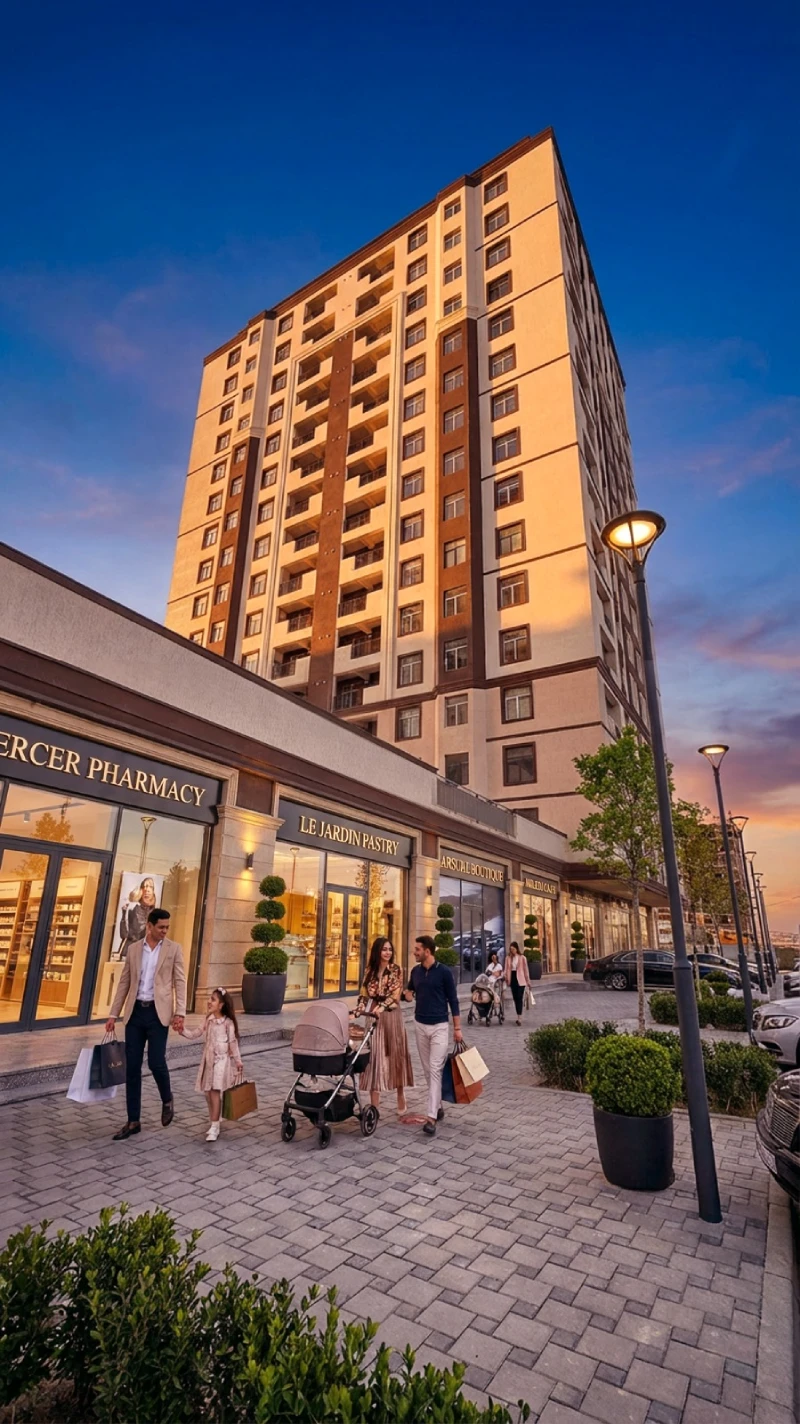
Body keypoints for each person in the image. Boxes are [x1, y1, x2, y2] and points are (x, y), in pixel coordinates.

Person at [105, 907, 186, 1140]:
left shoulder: (173, 949)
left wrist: (180, 1012)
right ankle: (133, 1121)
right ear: (149, 926)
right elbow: (124, 983)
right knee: (132, 1067)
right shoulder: (133, 949)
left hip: (158, 1014)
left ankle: (167, 1098)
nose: (165, 931)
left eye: (167, 927)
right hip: (135, 1014)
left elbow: (180, 981)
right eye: (161, 927)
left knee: (156, 1062)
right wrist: (113, 1014)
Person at [403, 934, 462, 1137]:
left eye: (417, 949)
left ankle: (431, 1118)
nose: (414, 952)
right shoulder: (416, 971)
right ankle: (437, 1105)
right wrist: (406, 994)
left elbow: (453, 1000)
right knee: (428, 1070)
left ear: (427, 951)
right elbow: (409, 991)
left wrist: (457, 1028)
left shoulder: (444, 972)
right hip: (420, 1025)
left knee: (436, 1069)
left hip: (439, 1026)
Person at [354, 937, 413, 1116]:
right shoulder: (369, 970)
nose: (388, 952)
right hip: (373, 1015)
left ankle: (401, 1094)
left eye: (390, 949)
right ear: (377, 951)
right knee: (374, 1056)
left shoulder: (395, 969)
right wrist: (359, 1009)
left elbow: (395, 995)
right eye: (384, 949)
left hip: (391, 1015)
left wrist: (381, 1007)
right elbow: (364, 993)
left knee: (396, 1053)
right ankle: (375, 1105)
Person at [180, 988, 243, 1141]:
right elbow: (196, 1033)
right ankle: (215, 1118)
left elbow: (233, 1043)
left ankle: (214, 1126)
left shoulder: (227, 1023)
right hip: (208, 1059)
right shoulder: (208, 1019)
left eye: (213, 999)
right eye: (210, 998)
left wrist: (238, 1061)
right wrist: (182, 1031)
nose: (209, 1001)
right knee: (208, 1092)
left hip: (221, 1060)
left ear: (221, 1005)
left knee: (215, 1090)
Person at [117, 876, 157, 960]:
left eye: (150, 887)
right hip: (130, 952)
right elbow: (123, 934)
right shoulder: (133, 908)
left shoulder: (155, 913)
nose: (147, 890)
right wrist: (124, 914)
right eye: (144, 887)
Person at [504, 940, 531, 1025]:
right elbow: (506, 969)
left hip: (521, 979)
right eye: (510, 949)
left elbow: (526, 970)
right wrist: (505, 977)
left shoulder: (522, 958)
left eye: (513, 949)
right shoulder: (508, 958)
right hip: (512, 978)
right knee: (515, 998)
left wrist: (528, 981)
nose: (512, 951)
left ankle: (519, 1017)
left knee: (519, 997)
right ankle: (518, 1014)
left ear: (516, 949)